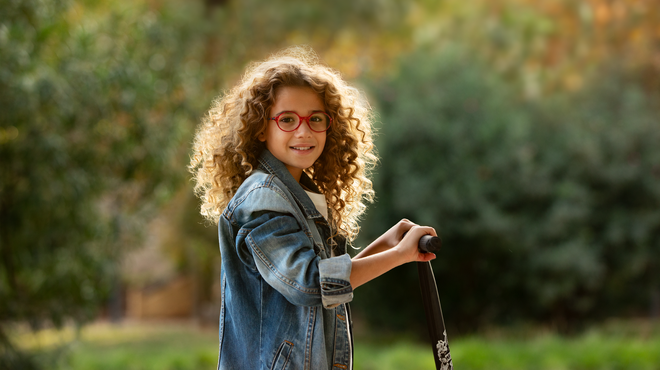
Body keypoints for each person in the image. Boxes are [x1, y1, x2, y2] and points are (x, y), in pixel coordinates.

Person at [189, 46, 437, 370]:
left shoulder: (298, 194)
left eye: (315, 119)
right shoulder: (263, 200)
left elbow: (327, 286)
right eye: (287, 120)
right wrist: (398, 256)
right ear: (262, 127)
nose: (303, 131)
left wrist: (387, 245)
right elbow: (311, 284)